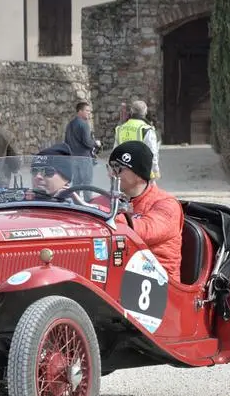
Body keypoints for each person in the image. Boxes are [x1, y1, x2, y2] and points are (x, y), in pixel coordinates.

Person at [107, 140, 183, 281]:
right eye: (110, 167)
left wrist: (105, 216)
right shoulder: (113, 198)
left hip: (159, 282)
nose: (111, 174)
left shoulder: (167, 204)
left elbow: (143, 231)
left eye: (118, 168)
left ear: (138, 174)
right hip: (125, 273)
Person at [114, 100, 160, 181]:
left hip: (125, 172)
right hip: (141, 173)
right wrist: (156, 171)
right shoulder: (146, 129)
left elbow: (115, 152)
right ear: (145, 112)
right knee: (151, 192)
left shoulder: (120, 129)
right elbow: (152, 153)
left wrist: (115, 170)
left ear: (131, 111)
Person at [64, 101, 101, 188]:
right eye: (87, 111)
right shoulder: (84, 124)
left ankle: (75, 201)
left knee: (76, 182)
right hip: (84, 158)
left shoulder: (70, 124)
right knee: (87, 182)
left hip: (73, 157)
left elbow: (66, 141)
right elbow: (87, 143)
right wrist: (96, 143)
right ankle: (87, 201)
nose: (89, 113)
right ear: (80, 111)